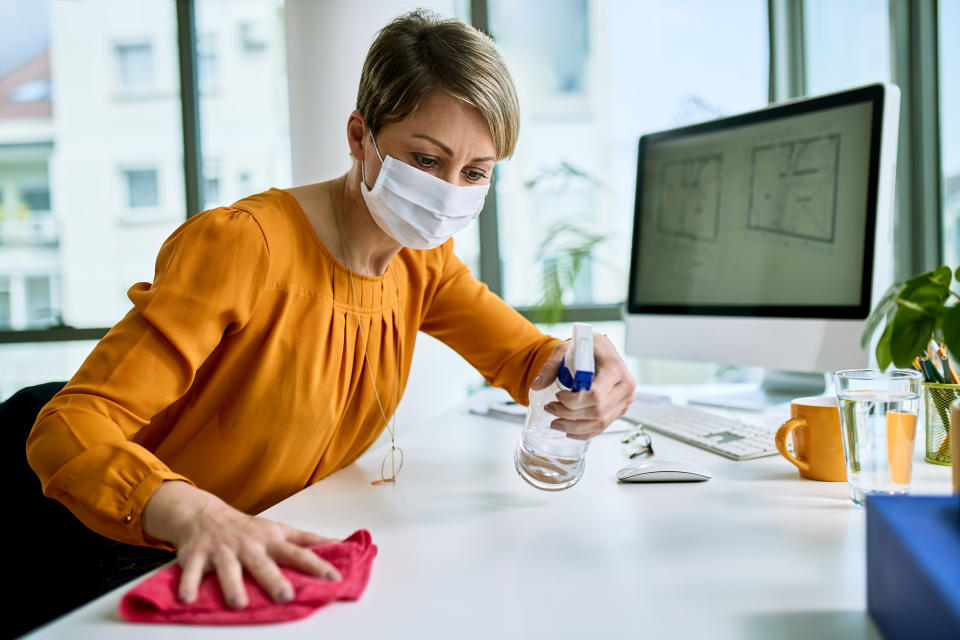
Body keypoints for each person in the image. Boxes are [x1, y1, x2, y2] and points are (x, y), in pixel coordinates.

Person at [26, 9, 636, 613]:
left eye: (475, 173)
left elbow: (525, 358)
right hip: (138, 556)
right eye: (427, 160)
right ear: (358, 137)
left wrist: (583, 373)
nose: (449, 192)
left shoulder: (422, 262)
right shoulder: (243, 246)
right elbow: (69, 425)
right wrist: (195, 513)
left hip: (270, 546)